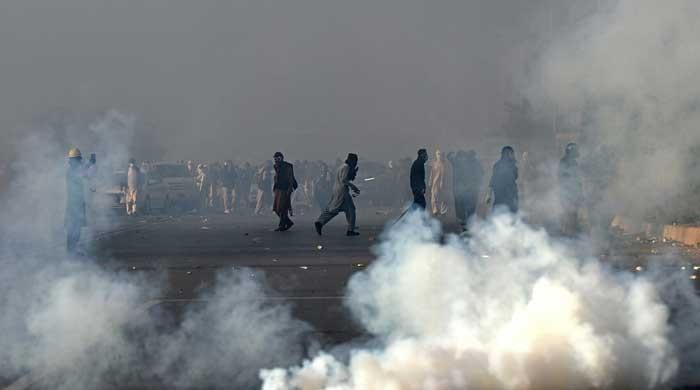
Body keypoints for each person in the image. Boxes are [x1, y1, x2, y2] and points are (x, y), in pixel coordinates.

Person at [315, 153, 361, 236]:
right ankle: (350, 230)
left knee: (345, 209)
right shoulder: (346, 167)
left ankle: (350, 228)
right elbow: (344, 180)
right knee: (347, 209)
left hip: (337, 190)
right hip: (342, 191)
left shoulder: (342, 166)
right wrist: (353, 187)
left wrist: (353, 172)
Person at [65, 147, 96, 254]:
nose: (80, 162)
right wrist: (91, 164)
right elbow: (84, 174)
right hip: (74, 204)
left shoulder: (73, 170)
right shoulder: (72, 171)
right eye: (78, 160)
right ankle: (71, 251)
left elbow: (83, 172)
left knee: (75, 228)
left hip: (76, 203)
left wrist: (90, 164)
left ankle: (72, 249)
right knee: (74, 229)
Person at [447, 150, 483, 229]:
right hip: (468, 190)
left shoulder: (457, 162)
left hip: (464, 190)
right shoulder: (474, 163)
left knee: (463, 207)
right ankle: (467, 224)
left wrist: (452, 153)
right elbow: (480, 175)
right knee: (468, 207)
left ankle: (465, 224)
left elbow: (449, 156)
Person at [559, 143, 583, 236]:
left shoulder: (573, 162)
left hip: (573, 192)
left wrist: (579, 190)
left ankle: (573, 231)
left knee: (574, 213)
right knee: (568, 213)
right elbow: (562, 178)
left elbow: (576, 178)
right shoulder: (564, 162)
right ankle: (569, 232)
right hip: (567, 193)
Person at [272, 152, 298, 231]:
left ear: (281, 158)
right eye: (275, 158)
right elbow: (276, 177)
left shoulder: (288, 166)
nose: (276, 159)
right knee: (277, 209)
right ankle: (288, 222)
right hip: (278, 189)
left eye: (277, 158)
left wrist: (290, 189)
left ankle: (282, 225)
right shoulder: (276, 166)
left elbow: (290, 177)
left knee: (283, 208)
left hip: (285, 189)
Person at [489, 146, 519, 213]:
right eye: (510, 153)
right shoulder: (511, 164)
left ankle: (501, 219)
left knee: (500, 206)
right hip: (507, 190)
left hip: (501, 190)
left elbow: (493, 178)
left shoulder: (497, 164)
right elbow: (515, 176)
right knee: (510, 206)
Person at [428, 149, 448, 216]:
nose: (438, 155)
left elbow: (443, 174)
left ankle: (443, 210)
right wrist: (430, 181)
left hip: (440, 182)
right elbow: (431, 172)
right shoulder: (434, 163)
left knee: (442, 196)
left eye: (439, 154)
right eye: (437, 154)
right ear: (436, 155)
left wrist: (442, 182)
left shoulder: (443, 164)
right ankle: (435, 210)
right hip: (434, 182)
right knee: (433, 195)